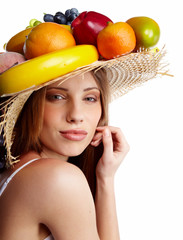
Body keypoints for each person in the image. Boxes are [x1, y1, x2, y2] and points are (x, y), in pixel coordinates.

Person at [0, 25, 167, 240]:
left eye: (89, 98)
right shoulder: (58, 179)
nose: (76, 115)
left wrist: (105, 178)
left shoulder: (15, 170)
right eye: (57, 97)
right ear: (31, 105)